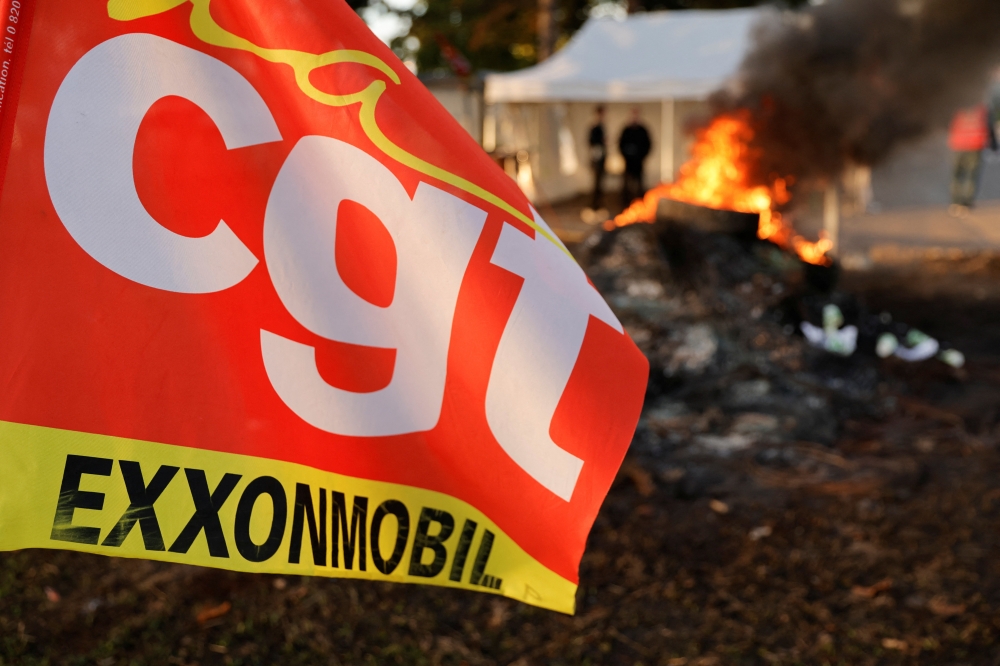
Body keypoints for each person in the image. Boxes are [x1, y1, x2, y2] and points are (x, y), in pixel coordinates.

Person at [948, 102, 997, 216]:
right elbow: (989, 126)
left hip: (959, 143)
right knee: (971, 175)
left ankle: (956, 202)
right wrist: (993, 144)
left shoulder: (956, 104)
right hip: (975, 144)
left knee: (957, 174)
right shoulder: (982, 107)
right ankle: (966, 203)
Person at [619, 107, 652, 208]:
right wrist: (626, 154)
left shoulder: (643, 130)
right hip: (628, 162)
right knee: (626, 184)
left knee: (639, 184)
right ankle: (626, 204)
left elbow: (648, 145)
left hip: (639, 162)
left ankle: (640, 204)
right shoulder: (626, 130)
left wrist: (641, 155)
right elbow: (620, 144)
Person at [588, 106, 607, 210]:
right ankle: (594, 205)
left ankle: (598, 204)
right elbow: (591, 143)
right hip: (597, 159)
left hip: (601, 158)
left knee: (600, 182)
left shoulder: (601, 127)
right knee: (596, 182)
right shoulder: (595, 128)